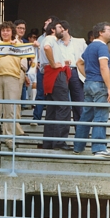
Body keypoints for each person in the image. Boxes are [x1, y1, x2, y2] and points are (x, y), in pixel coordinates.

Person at [73, 22, 110, 158]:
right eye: (109, 30)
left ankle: (78, 147)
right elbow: (104, 67)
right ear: (101, 32)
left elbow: (79, 63)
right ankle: (99, 149)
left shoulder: (90, 46)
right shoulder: (102, 47)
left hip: (89, 84)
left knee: (86, 116)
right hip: (99, 84)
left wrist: (89, 76)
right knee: (101, 116)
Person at [0, 21, 27, 149]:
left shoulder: (19, 45)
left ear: (12, 32)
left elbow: (29, 57)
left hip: (13, 78)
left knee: (10, 110)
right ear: (0, 32)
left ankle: (9, 138)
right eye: (3, 30)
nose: (5, 32)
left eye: (8, 30)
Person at [40, 20, 72, 150]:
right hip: (56, 75)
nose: (62, 30)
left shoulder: (51, 41)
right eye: (60, 27)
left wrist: (61, 62)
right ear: (53, 29)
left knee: (52, 110)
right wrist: (53, 64)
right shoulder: (50, 39)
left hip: (50, 75)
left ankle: (49, 143)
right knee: (64, 108)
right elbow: (47, 48)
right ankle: (59, 142)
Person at [30, 15, 59, 126]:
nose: (45, 22)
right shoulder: (40, 38)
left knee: (54, 95)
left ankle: (53, 120)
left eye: (48, 22)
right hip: (42, 69)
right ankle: (36, 118)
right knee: (40, 94)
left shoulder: (57, 38)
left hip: (54, 70)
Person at [58, 20, 87, 123]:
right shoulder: (55, 43)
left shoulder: (80, 41)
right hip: (61, 72)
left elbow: (87, 57)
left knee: (79, 102)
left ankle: (80, 133)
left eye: (59, 29)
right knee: (62, 103)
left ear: (65, 29)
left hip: (75, 72)